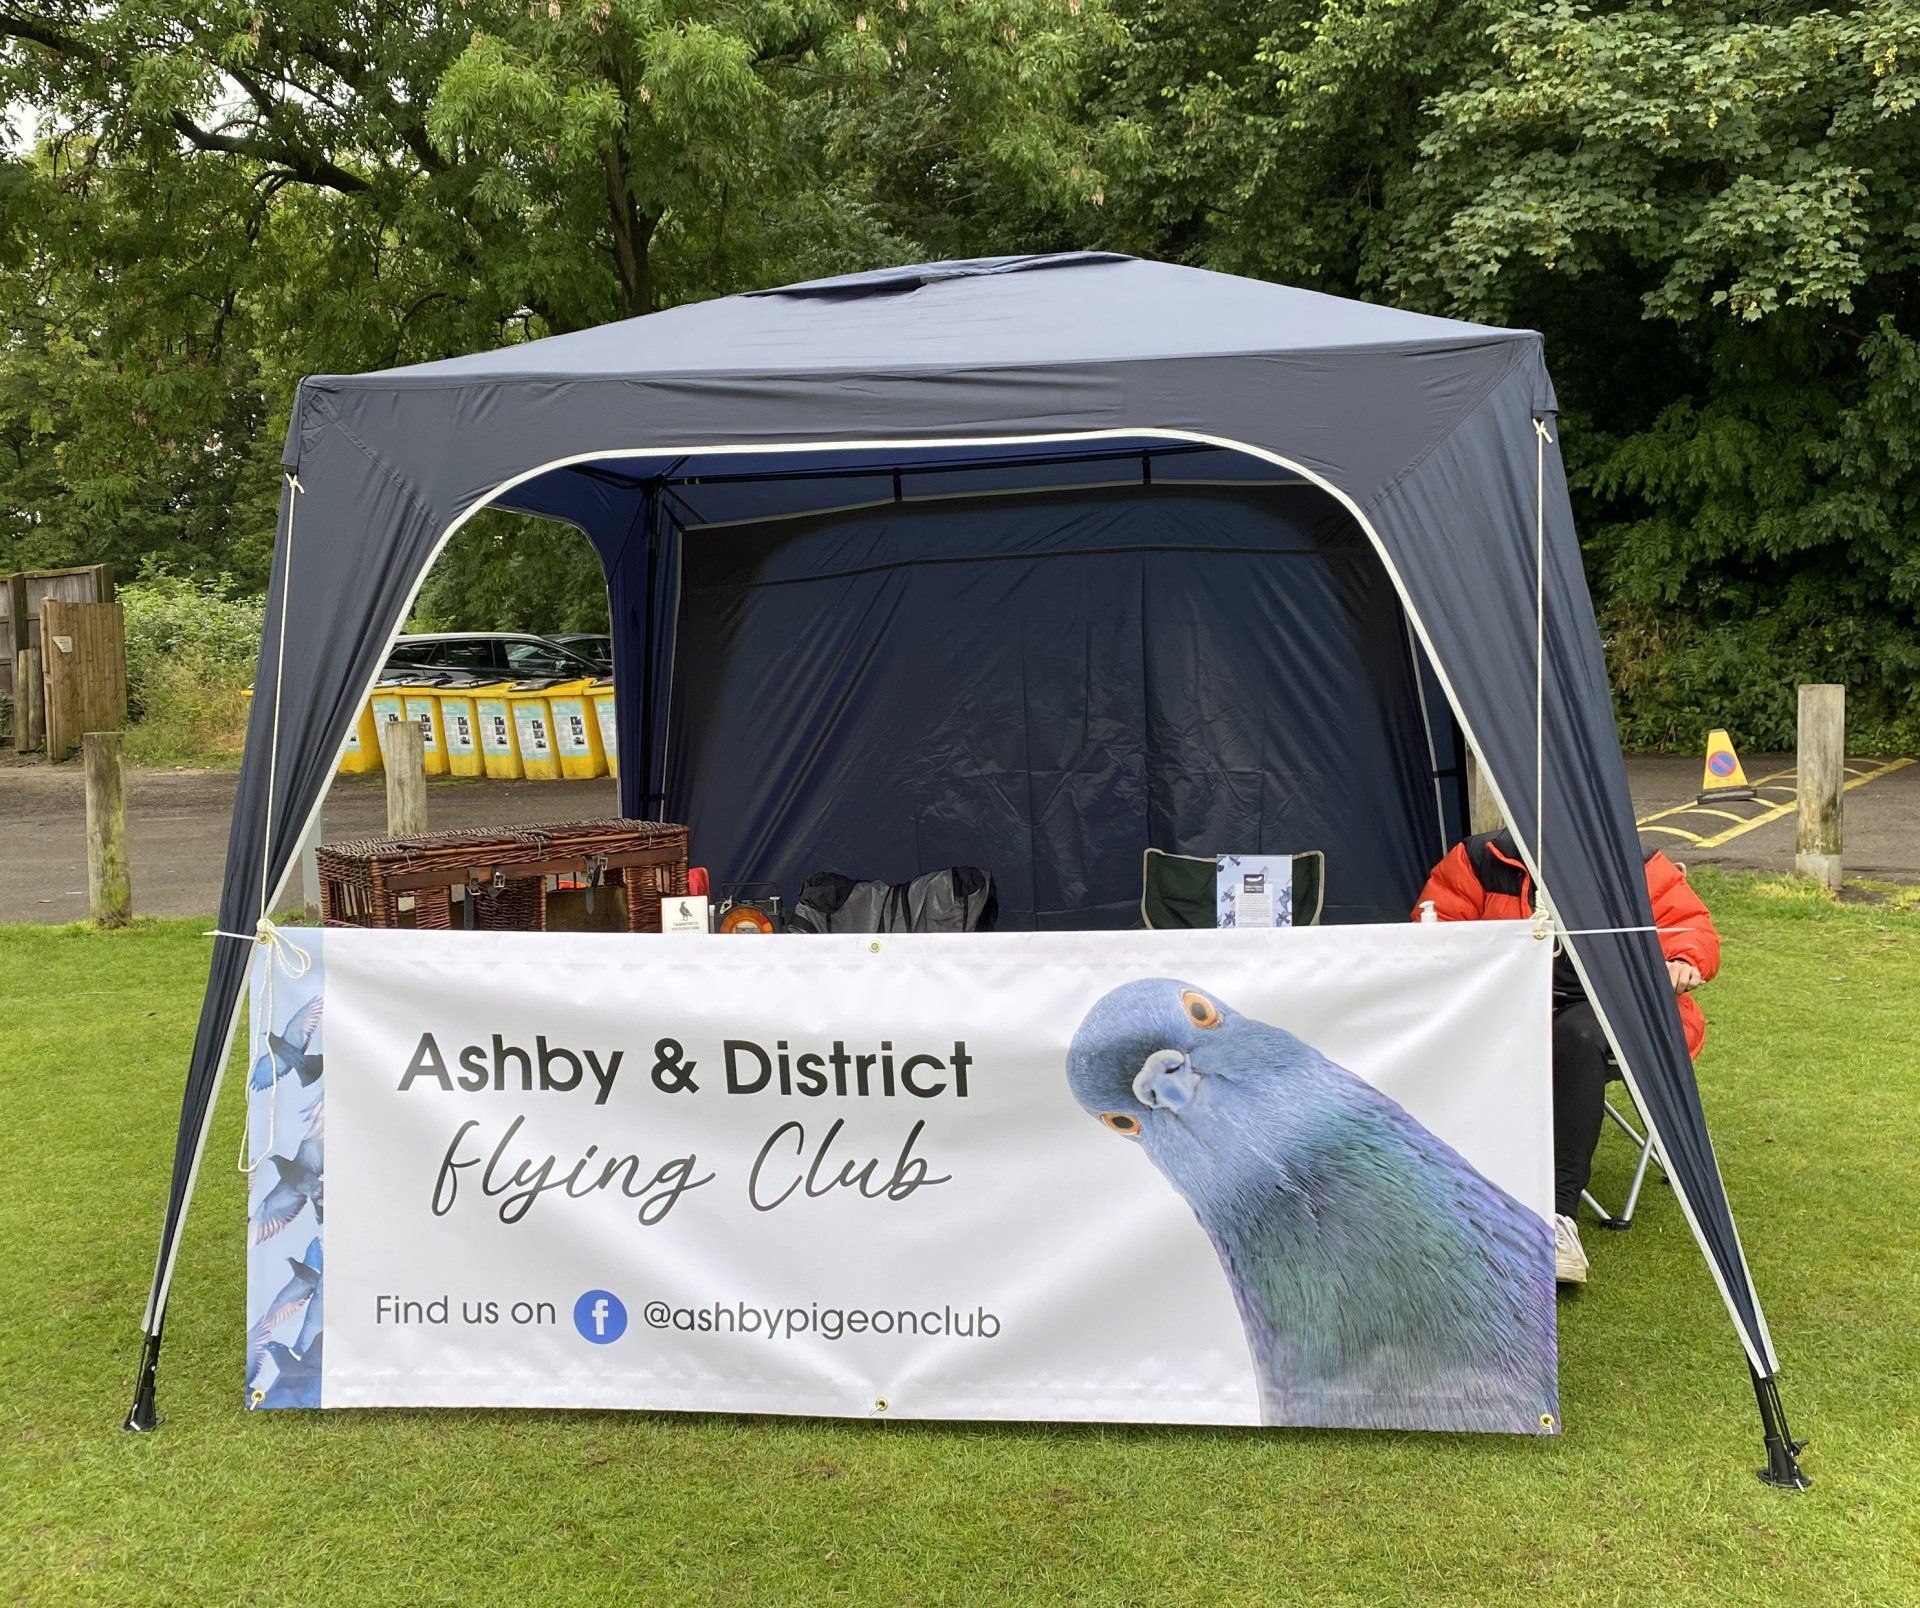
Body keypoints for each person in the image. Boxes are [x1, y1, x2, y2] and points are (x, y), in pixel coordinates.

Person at [1411, 828, 1719, 1286]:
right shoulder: (1479, 858)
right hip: (1510, 1008)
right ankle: (1440, 1198)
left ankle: (1558, 1218)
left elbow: (1690, 927)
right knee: (1442, 1033)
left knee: (1575, 1037)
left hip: (1617, 1010)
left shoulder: (1632, 859)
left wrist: (1683, 960)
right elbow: (1432, 932)